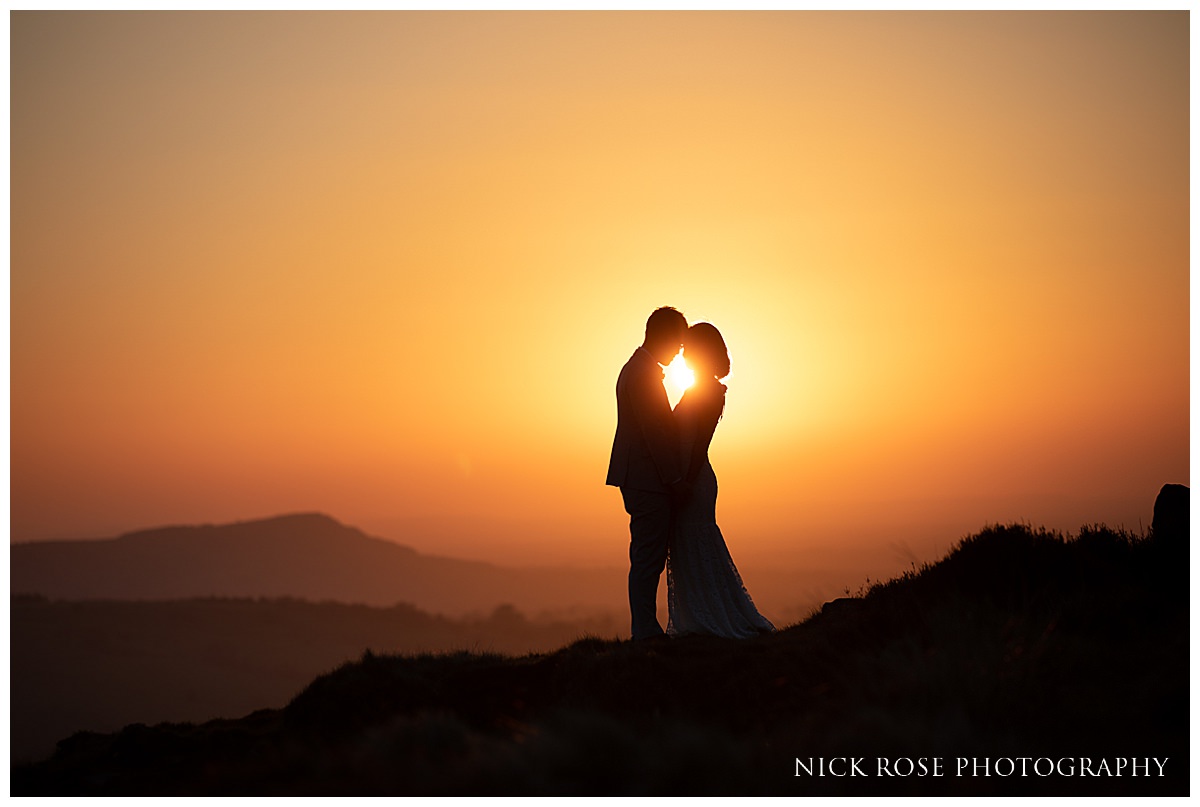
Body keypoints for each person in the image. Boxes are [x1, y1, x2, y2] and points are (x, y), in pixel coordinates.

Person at [666, 322, 775, 638]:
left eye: (688, 349)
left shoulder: (711, 392)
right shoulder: (695, 388)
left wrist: (685, 481)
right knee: (688, 544)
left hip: (695, 478)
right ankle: (699, 613)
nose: (684, 354)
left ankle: (712, 615)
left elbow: (700, 443)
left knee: (698, 541)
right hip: (688, 475)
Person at [606, 306, 690, 641]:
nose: (679, 352)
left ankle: (644, 628)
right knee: (647, 556)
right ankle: (643, 630)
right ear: (663, 336)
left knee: (647, 554)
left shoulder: (637, 368)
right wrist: (674, 480)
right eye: (678, 343)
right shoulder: (643, 375)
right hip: (645, 478)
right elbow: (654, 432)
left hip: (640, 475)